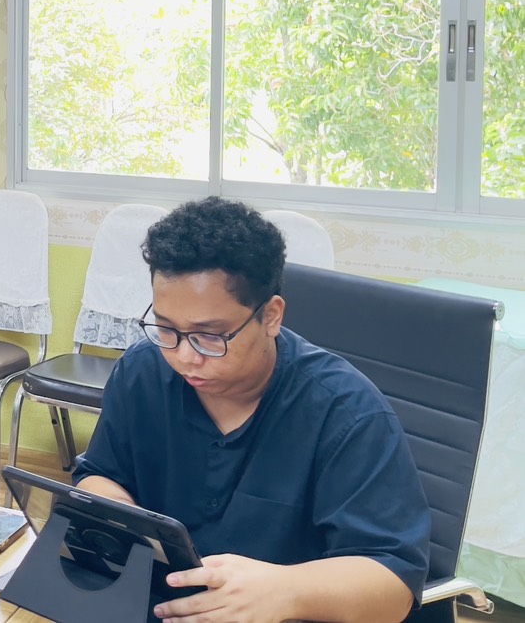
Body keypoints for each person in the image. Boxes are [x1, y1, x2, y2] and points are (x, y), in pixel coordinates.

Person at [74, 196, 429, 623]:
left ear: (271, 316)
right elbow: (99, 473)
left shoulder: (347, 414)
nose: (185, 357)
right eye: (166, 328)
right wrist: (118, 513)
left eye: (210, 336)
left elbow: (393, 586)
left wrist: (287, 590)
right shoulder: (142, 371)